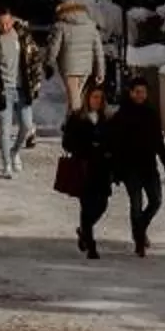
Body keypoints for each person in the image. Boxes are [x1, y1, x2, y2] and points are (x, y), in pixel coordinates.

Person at [104, 71, 165, 256]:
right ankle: (139, 240)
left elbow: (158, 140)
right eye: (138, 92)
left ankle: (140, 227)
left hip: (149, 166)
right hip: (129, 168)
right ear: (131, 93)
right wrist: (113, 169)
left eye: (144, 92)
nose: (141, 95)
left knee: (156, 201)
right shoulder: (122, 115)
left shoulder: (151, 113)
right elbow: (112, 143)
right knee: (136, 204)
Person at [0, 7, 40, 178]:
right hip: (3, 89)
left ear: (12, 21)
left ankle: (14, 152)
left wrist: (35, 83)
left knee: (26, 125)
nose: (4, 27)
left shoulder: (23, 36)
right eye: (1, 24)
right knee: (5, 129)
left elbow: (35, 59)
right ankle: (6, 164)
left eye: (7, 23)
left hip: (22, 88)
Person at [59, 81, 113, 258]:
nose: (97, 101)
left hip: (102, 169)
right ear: (87, 98)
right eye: (94, 97)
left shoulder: (106, 119)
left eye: (100, 98)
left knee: (102, 204)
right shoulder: (77, 118)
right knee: (87, 206)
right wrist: (84, 148)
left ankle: (84, 230)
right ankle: (91, 245)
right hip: (84, 167)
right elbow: (67, 142)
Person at [49, 0, 107, 113]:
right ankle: (71, 125)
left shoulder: (61, 26)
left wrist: (49, 63)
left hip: (68, 68)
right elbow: (98, 50)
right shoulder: (91, 26)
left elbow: (53, 47)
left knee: (75, 101)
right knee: (76, 98)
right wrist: (101, 71)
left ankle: (75, 125)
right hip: (85, 68)